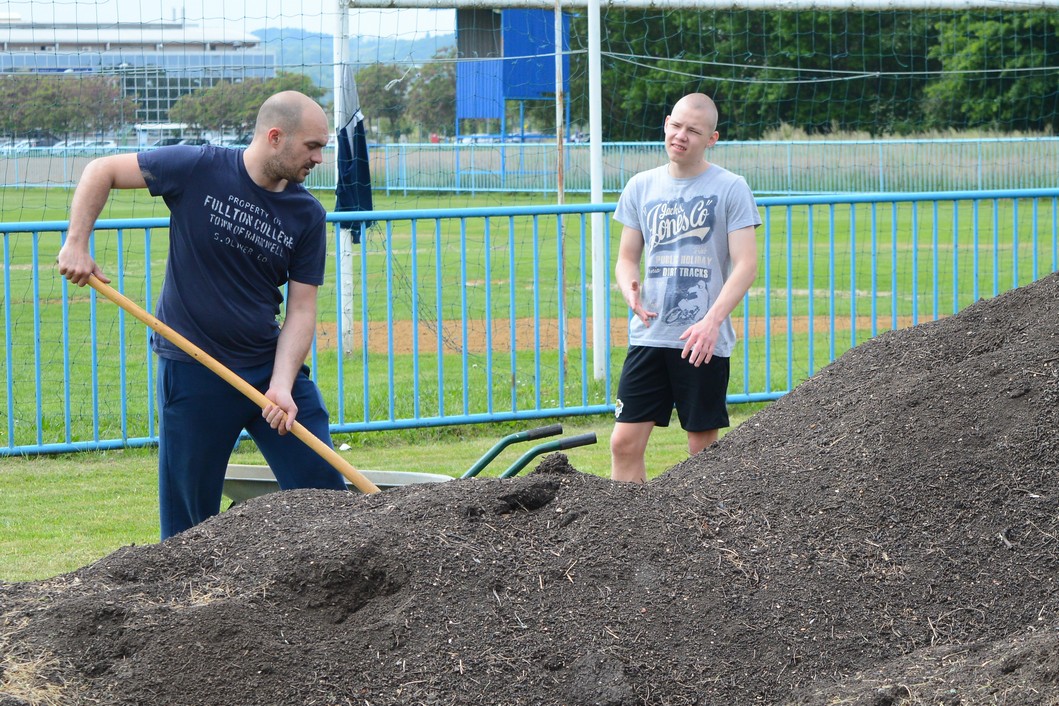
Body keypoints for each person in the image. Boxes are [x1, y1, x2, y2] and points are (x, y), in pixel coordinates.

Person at [57, 91, 349, 538]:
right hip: (194, 369)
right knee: (189, 526)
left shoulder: (307, 214)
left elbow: (302, 310)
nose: (319, 157)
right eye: (312, 146)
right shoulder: (198, 167)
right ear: (275, 137)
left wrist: (283, 385)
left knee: (327, 497)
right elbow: (102, 170)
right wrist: (76, 243)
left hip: (268, 371)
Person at [610, 92, 761, 483]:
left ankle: (703, 536)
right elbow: (627, 257)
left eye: (693, 131)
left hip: (701, 341)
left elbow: (746, 265)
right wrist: (629, 288)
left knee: (702, 452)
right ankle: (630, 532)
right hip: (650, 335)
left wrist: (712, 322)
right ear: (665, 124)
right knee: (623, 443)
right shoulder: (641, 187)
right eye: (675, 126)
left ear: (712, 138)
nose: (681, 136)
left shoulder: (731, 188)